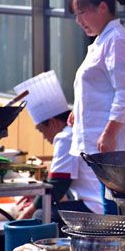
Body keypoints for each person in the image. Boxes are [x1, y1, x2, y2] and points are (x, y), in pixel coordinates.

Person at [68, 0, 125, 214]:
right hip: (105, 144)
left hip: (117, 143)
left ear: (102, 7)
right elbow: (99, 88)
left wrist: (110, 132)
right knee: (108, 200)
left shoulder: (117, 40)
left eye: (82, 13)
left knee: (115, 205)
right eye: (76, 15)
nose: (78, 21)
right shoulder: (103, 39)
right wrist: (78, 111)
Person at [14, 71, 102, 223]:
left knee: (41, 215)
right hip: (101, 203)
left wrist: (26, 213)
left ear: (53, 122)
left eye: (42, 131)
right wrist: (36, 196)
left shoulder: (65, 137)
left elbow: (57, 186)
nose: (45, 137)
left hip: (94, 209)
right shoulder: (77, 130)